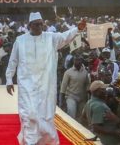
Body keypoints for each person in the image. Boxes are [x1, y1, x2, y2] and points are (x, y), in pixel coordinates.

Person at [5, 12, 86, 145]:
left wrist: (78, 29)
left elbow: (66, 37)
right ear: (29, 25)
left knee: (46, 114)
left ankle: (48, 142)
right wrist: (9, 80)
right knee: (29, 114)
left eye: (41, 24)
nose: (39, 27)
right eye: (36, 24)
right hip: (27, 85)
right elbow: (13, 61)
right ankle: (29, 141)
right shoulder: (20, 40)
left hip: (46, 85)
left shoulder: (51, 38)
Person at [83, 80, 120, 145]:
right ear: (96, 92)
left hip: (103, 138)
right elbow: (96, 127)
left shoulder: (89, 102)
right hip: (109, 141)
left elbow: (84, 116)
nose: (105, 91)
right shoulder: (99, 106)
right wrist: (115, 132)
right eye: (103, 89)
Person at [60, 54, 90, 121]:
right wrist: (62, 101)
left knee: (80, 118)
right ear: (73, 61)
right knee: (71, 116)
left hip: (82, 98)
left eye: (79, 60)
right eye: (76, 60)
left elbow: (87, 84)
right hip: (71, 97)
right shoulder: (68, 72)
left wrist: (88, 96)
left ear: (82, 61)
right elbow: (63, 87)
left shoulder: (85, 72)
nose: (78, 61)